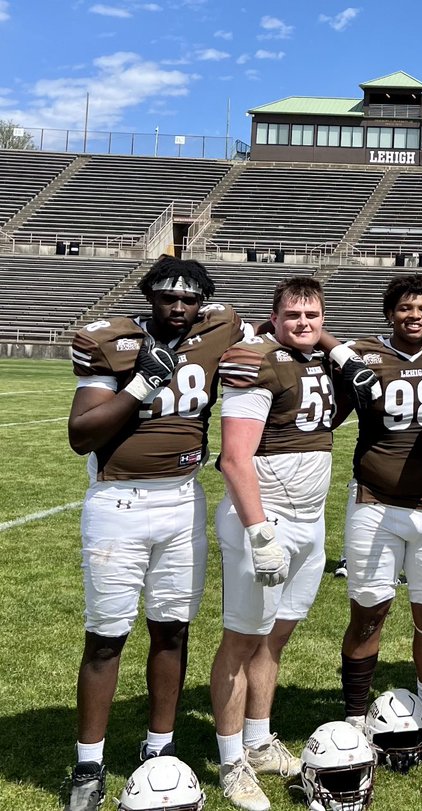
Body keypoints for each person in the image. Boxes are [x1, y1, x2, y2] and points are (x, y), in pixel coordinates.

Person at [66, 256, 252, 811]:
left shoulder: (217, 326)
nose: (178, 307)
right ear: (149, 296)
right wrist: (140, 385)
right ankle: (88, 763)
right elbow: (81, 434)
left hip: (183, 501)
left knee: (172, 630)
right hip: (119, 501)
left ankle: (159, 750)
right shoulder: (115, 343)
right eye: (167, 297)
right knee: (106, 638)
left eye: (188, 299)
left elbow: (275, 321)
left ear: (201, 303)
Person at [209, 277, 364, 811]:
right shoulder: (257, 361)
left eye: (313, 315)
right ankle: (231, 761)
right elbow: (234, 457)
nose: (303, 323)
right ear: (273, 317)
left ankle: (258, 740)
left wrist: (328, 344)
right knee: (240, 639)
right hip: (267, 519)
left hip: (310, 520)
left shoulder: (320, 360)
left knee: (273, 638)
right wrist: (258, 530)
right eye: (293, 314)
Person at [336, 274, 422, 758]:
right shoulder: (364, 353)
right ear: (390, 312)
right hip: (374, 502)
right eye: (405, 308)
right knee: (369, 612)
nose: (415, 316)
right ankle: (353, 714)